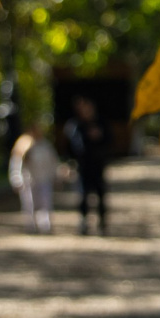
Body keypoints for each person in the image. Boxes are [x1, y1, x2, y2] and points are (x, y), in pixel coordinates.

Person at [64, 96, 110, 235]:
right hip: (83, 165)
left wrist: (99, 137)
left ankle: (102, 222)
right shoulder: (75, 125)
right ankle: (84, 222)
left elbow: (110, 141)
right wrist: (69, 164)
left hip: (98, 164)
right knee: (83, 195)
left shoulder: (101, 122)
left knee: (100, 193)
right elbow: (71, 147)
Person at [8, 122, 59, 234]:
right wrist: (16, 178)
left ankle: (45, 225)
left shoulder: (46, 145)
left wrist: (55, 176)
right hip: (28, 180)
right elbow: (16, 164)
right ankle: (30, 225)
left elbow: (53, 162)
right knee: (29, 203)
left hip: (44, 179)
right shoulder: (23, 145)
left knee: (45, 203)